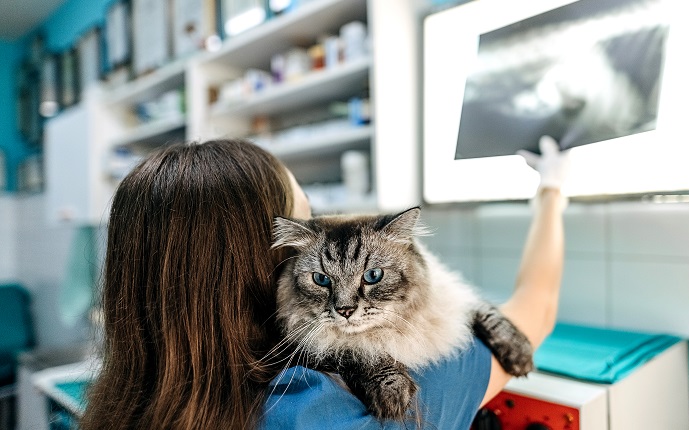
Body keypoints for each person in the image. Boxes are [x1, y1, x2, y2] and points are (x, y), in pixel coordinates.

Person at [80, 136, 570, 430]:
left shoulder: (124, 401)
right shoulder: (334, 409)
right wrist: (552, 188)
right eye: (308, 216)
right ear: (269, 262)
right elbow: (536, 307)